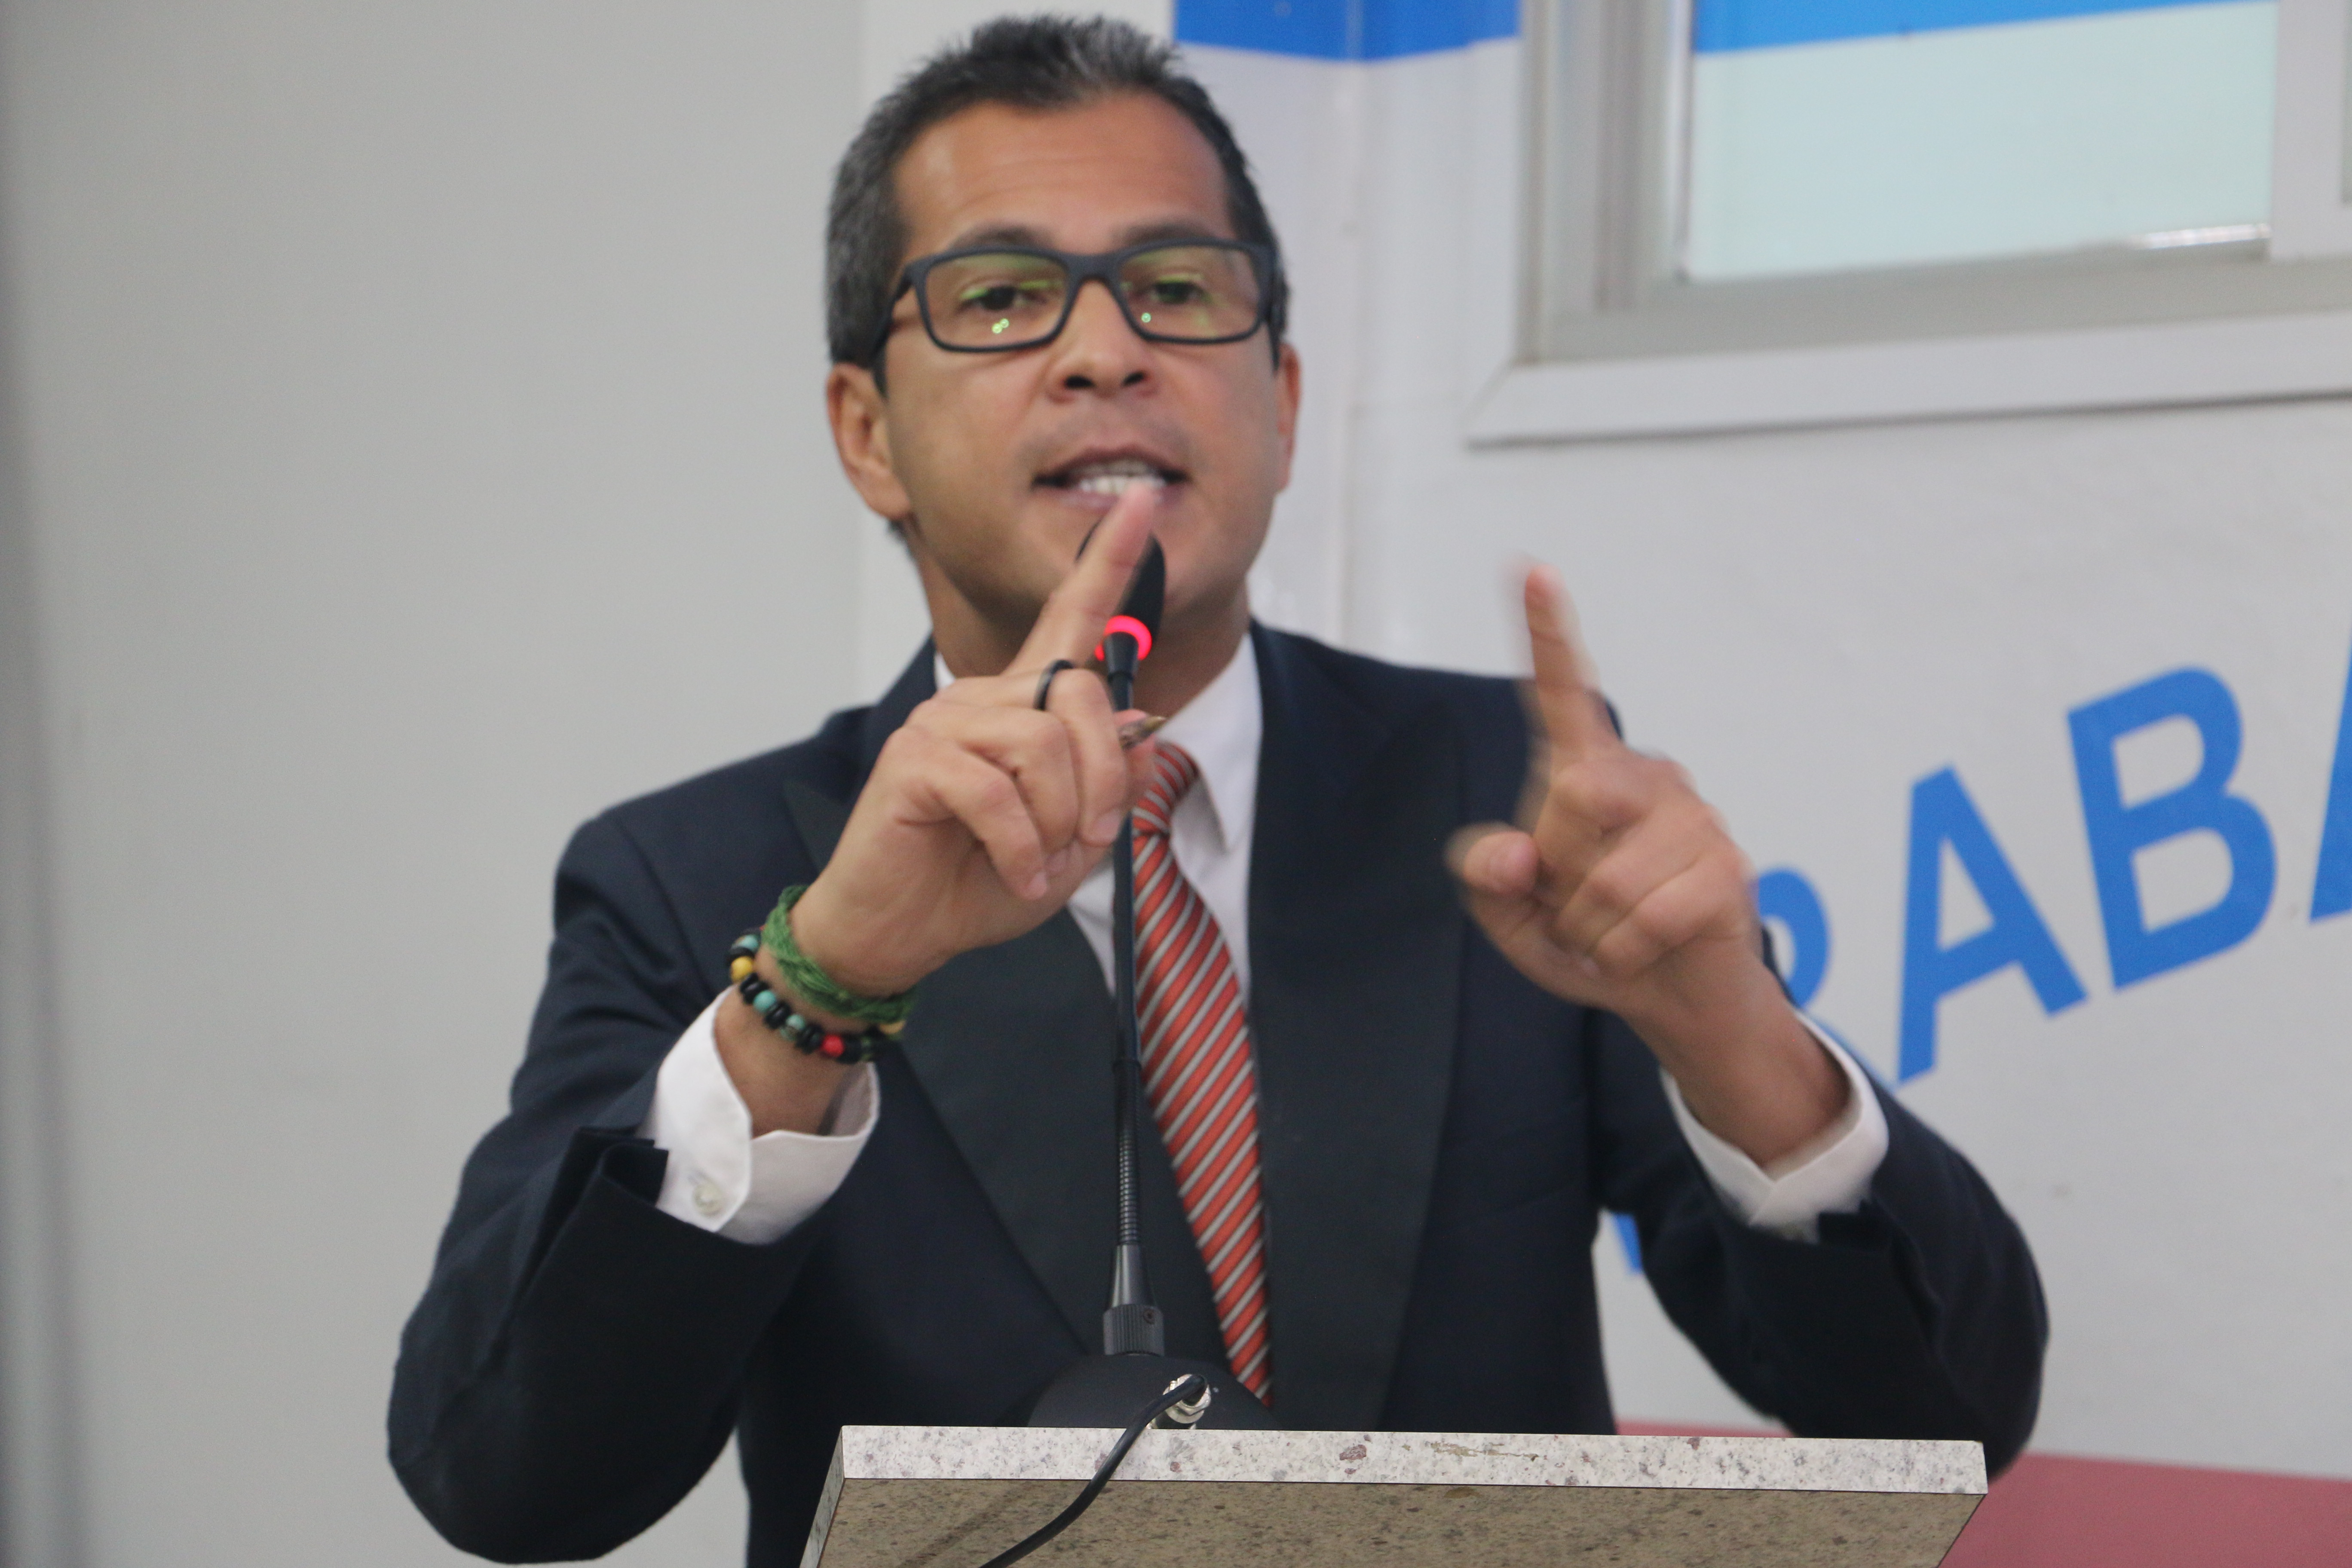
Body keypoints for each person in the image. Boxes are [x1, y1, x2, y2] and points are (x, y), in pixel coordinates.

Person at [389, 16, 2045, 1565]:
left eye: (1177, 289)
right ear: (867, 432)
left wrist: (1735, 1041)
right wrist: (816, 995)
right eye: (1000, 298)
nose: (1106, 350)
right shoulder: (703, 881)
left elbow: (1941, 1423)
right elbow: (510, 1477)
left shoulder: (1506, 800)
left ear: (1285, 402)